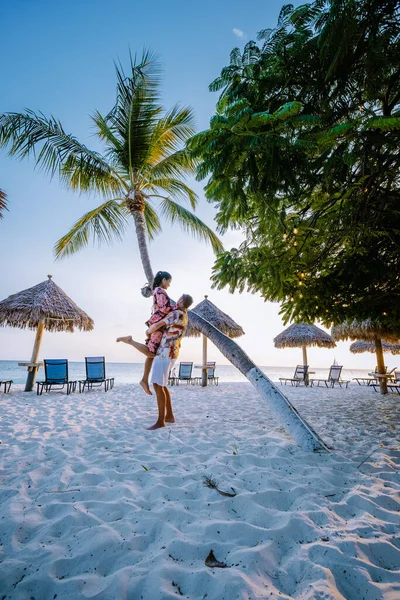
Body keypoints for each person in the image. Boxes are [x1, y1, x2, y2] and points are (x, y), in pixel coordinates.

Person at [117, 271, 173, 395]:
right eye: (169, 281)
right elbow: (164, 307)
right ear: (164, 280)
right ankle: (130, 341)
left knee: (150, 352)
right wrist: (175, 309)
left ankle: (144, 380)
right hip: (158, 325)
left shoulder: (156, 291)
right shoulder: (160, 291)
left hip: (157, 324)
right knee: (152, 353)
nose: (169, 284)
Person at [146, 294, 193, 430]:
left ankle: (161, 421)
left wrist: (148, 331)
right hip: (172, 352)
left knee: (157, 384)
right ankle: (170, 416)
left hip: (166, 352)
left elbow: (160, 324)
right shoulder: (184, 316)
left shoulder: (176, 313)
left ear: (181, 301)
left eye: (179, 299)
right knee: (163, 384)